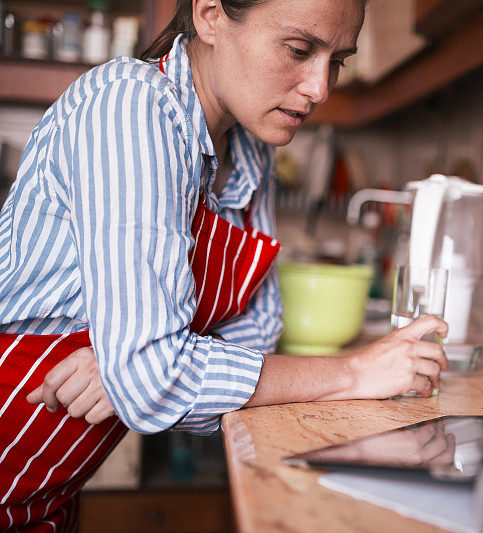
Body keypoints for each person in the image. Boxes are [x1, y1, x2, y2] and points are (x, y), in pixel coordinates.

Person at [0, 0, 448, 530]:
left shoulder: (249, 148)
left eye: (337, 61)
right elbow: (153, 376)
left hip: (49, 499)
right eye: (300, 50)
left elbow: (256, 332)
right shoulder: (130, 107)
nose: (320, 89)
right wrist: (354, 372)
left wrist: (132, 367)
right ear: (210, 14)